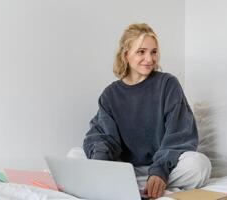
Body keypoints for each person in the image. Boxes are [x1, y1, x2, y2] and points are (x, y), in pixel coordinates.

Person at [82, 23, 211, 199]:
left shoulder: (167, 84)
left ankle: (143, 184)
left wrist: (159, 171)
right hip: (128, 168)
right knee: (76, 154)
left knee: (200, 165)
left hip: (165, 165)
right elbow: (102, 136)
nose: (149, 59)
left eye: (154, 52)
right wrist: (100, 162)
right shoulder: (110, 94)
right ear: (126, 54)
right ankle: (140, 184)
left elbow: (180, 135)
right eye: (141, 52)